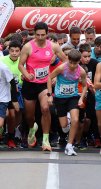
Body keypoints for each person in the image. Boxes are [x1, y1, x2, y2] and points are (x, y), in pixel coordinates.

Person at [18, 22, 68, 152]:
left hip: (44, 84)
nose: (40, 37)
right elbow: (20, 65)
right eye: (37, 35)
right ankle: (32, 128)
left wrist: (56, 75)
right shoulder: (28, 47)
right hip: (30, 84)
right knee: (29, 116)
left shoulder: (54, 47)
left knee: (46, 108)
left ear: (47, 34)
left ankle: (46, 139)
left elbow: (65, 62)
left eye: (43, 35)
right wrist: (26, 74)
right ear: (34, 34)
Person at [47, 50, 87, 156]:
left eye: (76, 63)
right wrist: (50, 95)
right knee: (64, 126)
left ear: (79, 61)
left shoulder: (81, 71)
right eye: (71, 62)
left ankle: (70, 145)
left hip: (73, 97)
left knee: (75, 119)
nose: (73, 65)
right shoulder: (62, 68)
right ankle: (67, 122)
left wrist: (81, 98)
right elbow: (49, 78)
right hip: (60, 98)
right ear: (68, 60)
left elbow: (84, 85)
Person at [0, 40, 24, 148]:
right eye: (12, 51)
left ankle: (12, 136)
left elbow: (22, 77)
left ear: (20, 52)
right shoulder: (2, 61)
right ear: (8, 51)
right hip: (3, 91)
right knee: (5, 114)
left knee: (14, 114)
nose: (14, 53)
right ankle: (1, 131)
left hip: (16, 92)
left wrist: (19, 83)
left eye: (17, 51)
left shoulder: (22, 62)